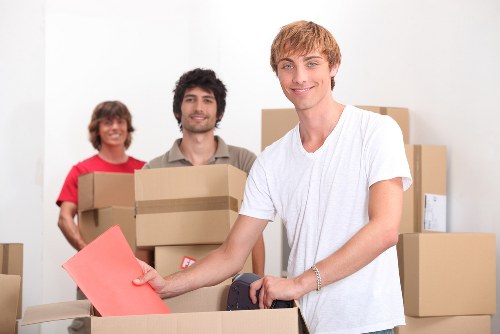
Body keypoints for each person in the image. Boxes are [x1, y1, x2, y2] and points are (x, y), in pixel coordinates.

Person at [134, 21, 412, 334]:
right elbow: (230, 255)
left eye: (312, 63)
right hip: (303, 322)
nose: (300, 77)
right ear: (277, 74)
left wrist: (299, 283)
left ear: (334, 66)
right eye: (287, 66)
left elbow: (385, 229)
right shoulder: (271, 161)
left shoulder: (376, 131)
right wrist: (165, 285)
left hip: (364, 321)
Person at [143, 68, 265, 276]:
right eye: (190, 99)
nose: (198, 107)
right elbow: (145, 241)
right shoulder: (154, 171)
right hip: (171, 281)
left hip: (232, 281)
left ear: (219, 113)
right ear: (177, 110)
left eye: (207, 100)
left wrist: (257, 283)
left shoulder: (244, 162)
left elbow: (255, 234)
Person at [56, 101, 146, 334]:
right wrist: (88, 253)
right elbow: (64, 218)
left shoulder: (144, 170)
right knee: (88, 328)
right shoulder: (82, 170)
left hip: (136, 270)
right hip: (94, 272)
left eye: (120, 121)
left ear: (128, 128)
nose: (114, 127)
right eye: (107, 122)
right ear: (98, 129)